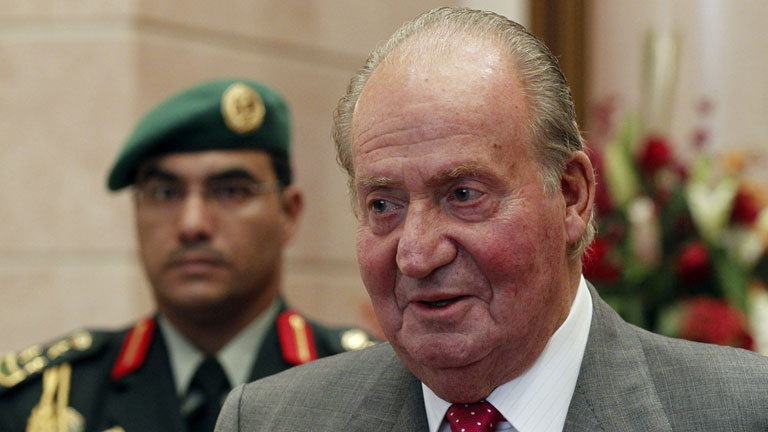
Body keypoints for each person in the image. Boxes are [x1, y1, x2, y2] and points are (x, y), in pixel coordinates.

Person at [214, 8, 768, 432]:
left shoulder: (743, 413)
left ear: (571, 197)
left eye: (463, 194)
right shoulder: (269, 421)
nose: (416, 254)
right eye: (383, 205)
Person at [0, 78, 374, 432]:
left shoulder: (371, 390)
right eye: (165, 193)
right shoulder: (41, 402)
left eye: (231, 191)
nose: (192, 224)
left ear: (288, 214)